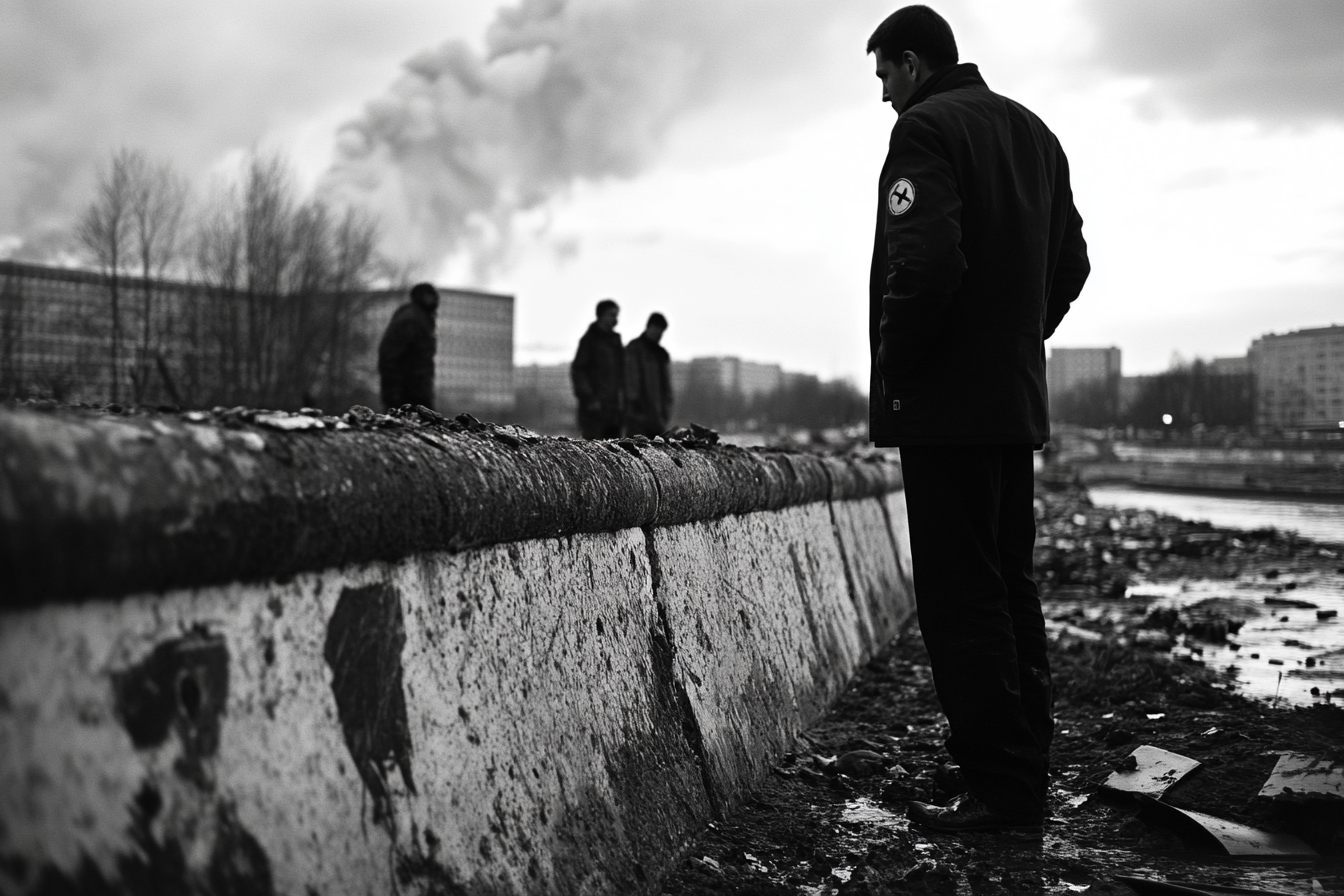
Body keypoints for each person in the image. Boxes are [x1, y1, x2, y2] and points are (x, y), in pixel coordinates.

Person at [865, 6, 1090, 838]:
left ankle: (997, 790)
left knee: (961, 600)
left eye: (885, 74)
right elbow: (1072, 264)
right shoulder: (1035, 134)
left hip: (947, 413)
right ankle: (1019, 771)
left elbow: (922, 263)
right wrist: (1015, 341)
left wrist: (905, 369)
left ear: (914, 64)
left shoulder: (926, 130)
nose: (883, 95)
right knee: (1008, 585)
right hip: (1008, 409)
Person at [378, 282, 439, 411]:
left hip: (418, 390)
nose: (433, 298)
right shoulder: (410, 318)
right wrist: (392, 393)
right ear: (418, 296)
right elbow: (389, 356)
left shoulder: (423, 318)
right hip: (407, 391)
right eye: (428, 295)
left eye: (433, 295)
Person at [570, 299, 625, 438]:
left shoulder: (615, 341)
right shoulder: (589, 340)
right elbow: (579, 370)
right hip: (594, 412)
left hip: (614, 412)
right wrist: (590, 399)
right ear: (601, 315)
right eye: (612, 315)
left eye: (616, 315)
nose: (615, 319)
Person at [624, 312, 673, 437]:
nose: (659, 334)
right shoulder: (634, 349)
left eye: (661, 330)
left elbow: (666, 388)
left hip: (655, 417)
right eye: (658, 329)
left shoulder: (660, 354)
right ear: (650, 326)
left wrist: (665, 412)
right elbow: (631, 380)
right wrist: (634, 405)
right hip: (639, 416)